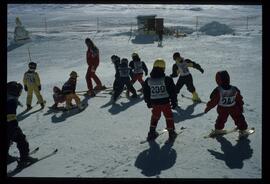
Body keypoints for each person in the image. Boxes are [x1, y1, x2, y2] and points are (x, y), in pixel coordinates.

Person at [204, 70, 249, 137]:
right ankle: (242, 130)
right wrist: (240, 106)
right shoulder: (234, 89)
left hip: (222, 108)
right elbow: (239, 99)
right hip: (233, 107)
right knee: (238, 117)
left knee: (221, 118)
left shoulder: (218, 90)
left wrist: (208, 108)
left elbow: (213, 101)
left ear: (218, 80)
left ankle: (218, 129)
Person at [143, 58, 178, 141]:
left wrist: (148, 102)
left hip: (155, 103)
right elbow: (173, 92)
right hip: (165, 102)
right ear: (163, 68)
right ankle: (171, 133)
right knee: (169, 116)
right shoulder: (167, 79)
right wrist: (174, 101)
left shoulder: (149, 80)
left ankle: (151, 133)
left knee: (155, 116)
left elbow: (146, 92)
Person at [6, 81, 38, 166]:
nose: (20, 94)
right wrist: (13, 131)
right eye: (19, 92)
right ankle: (24, 158)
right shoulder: (11, 101)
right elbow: (11, 118)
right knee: (21, 139)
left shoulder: (9, 97)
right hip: (9, 125)